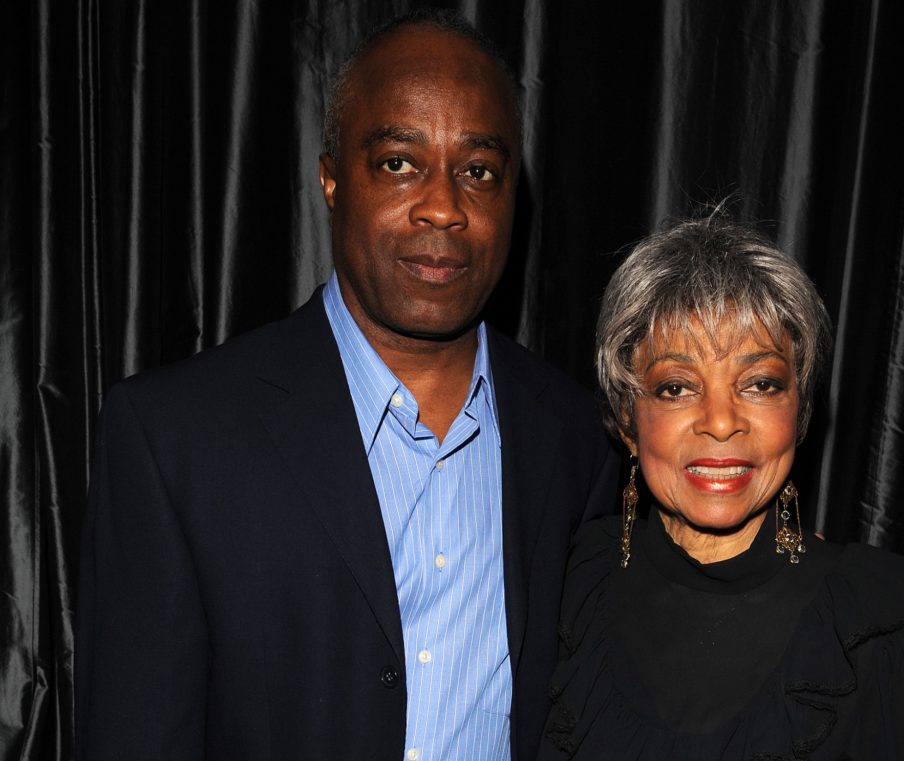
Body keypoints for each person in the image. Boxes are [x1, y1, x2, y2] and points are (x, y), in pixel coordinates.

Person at [74, 11, 617, 761]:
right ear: (332, 179)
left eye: (478, 171)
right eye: (399, 162)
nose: (443, 205)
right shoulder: (174, 440)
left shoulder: (581, 441)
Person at [538, 215, 904, 759]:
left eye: (760, 384)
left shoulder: (871, 635)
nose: (721, 421)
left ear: (799, 413)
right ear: (627, 422)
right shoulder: (567, 587)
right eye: (676, 387)